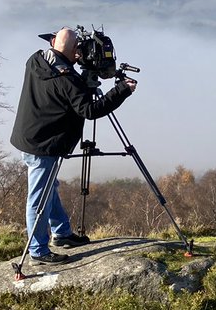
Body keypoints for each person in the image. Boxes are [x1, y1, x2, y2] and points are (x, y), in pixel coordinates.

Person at [9, 27, 136, 264]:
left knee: (49, 187)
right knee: (39, 198)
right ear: (74, 51)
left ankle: (62, 233)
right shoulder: (68, 80)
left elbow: (65, 72)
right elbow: (90, 110)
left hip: (31, 137)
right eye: (78, 49)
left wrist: (75, 62)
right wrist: (121, 91)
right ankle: (38, 251)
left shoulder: (37, 59)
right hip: (43, 145)